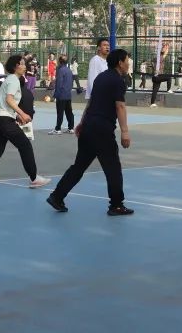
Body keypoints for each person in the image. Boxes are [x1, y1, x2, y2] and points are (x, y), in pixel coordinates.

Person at [47, 48, 134, 215]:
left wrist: (82, 122)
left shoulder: (101, 77)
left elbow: (91, 101)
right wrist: (125, 131)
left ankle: (57, 196)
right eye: (126, 60)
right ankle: (116, 205)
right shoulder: (118, 81)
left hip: (89, 127)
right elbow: (120, 106)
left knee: (79, 166)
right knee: (113, 168)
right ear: (120, 63)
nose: (128, 63)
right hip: (102, 130)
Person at [0, 54, 51, 188]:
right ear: (16, 66)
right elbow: (9, 100)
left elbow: (5, 102)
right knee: (25, 145)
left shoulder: (10, 79)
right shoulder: (14, 80)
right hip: (3, 120)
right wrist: (22, 113)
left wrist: (16, 115)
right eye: (22, 64)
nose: (25, 66)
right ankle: (34, 178)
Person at [49, 55, 75, 134]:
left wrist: (55, 95)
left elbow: (59, 84)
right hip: (68, 94)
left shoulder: (60, 70)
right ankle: (71, 128)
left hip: (61, 95)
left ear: (60, 62)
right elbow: (71, 83)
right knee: (69, 112)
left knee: (60, 112)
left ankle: (58, 129)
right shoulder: (69, 70)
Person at [150, 42, 173, 107]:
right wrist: (167, 47)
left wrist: (165, 47)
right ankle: (168, 89)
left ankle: (152, 103)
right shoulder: (160, 58)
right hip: (158, 76)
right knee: (169, 77)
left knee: (155, 91)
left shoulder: (155, 59)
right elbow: (165, 53)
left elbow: (163, 53)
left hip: (154, 77)